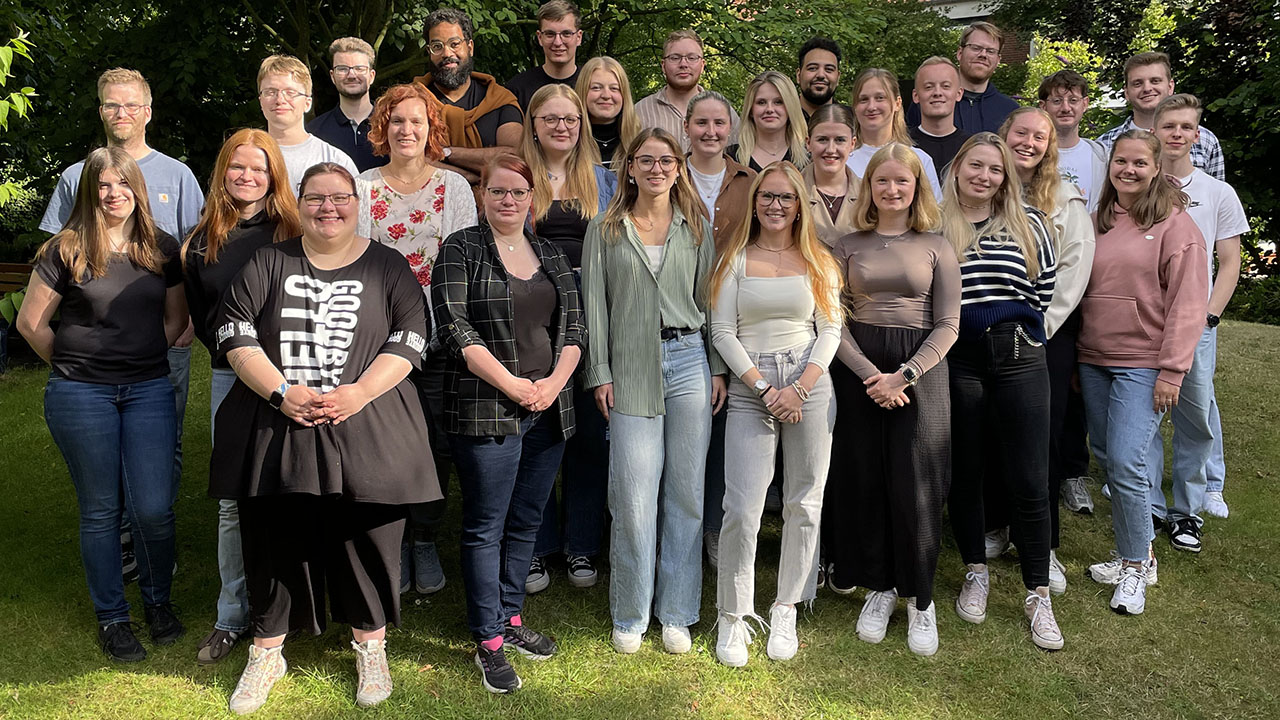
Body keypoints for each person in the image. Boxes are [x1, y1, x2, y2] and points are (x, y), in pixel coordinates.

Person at [212, 163, 440, 713]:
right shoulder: (269, 261)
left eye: (340, 198)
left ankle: (371, 645)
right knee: (272, 533)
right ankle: (267, 651)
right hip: (278, 420)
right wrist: (280, 392)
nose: (328, 208)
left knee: (367, 532)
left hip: (367, 420)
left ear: (358, 204)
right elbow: (234, 331)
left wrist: (360, 392)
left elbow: (412, 337)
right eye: (316, 198)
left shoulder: (387, 265)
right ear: (300, 203)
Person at [18, 147, 188, 662]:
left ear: (139, 188)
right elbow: (31, 324)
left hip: (148, 389)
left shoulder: (161, 247)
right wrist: (73, 366)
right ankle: (113, 618)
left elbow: (176, 319)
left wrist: (142, 356)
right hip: (81, 394)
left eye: (123, 183)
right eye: (103, 186)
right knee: (101, 511)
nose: (114, 194)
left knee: (154, 509)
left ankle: (158, 603)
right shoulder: (65, 249)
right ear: (89, 192)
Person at [39, 69, 202, 583]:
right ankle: (124, 543)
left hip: (163, 338)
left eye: (131, 105)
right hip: (90, 353)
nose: (122, 113)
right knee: (106, 460)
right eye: (112, 105)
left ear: (148, 111)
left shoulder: (178, 175)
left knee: (164, 446)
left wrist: (184, 325)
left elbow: (194, 254)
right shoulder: (77, 176)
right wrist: (71, 357)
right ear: (101, 111)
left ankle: (155, 540)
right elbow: (55, 255)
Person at [432, 153, 585, 694]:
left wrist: (554, 384)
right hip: (485, 405)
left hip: (547, 407)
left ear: (531, 198)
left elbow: (574, 330)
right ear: (483, 196)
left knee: (526, 520)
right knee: (486, 525)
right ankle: (489, 639)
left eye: (518, 192)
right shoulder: (461, 249)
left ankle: (511, 616)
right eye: (497, 191)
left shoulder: (551, 255)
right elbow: (454, 328)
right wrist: (513, 385)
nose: (508, 200)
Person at [581, 128, 728, 655]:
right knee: (633, 494)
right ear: (630, 168)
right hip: (630, 364)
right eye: (646, 160)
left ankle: (677, 612)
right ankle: (631, 611)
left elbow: (709, 301)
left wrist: (716, 366)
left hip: (689, 360)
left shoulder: (696, 227)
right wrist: (600, 371)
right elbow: (594, 305)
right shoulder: (605, 228)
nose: (657, 169)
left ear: (679, 168)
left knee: (686, 492)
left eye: (666, 160)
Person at [709, 161, 842, 666]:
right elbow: (722, 332)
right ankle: (733, 613)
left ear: (800, 205)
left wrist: (801, 387)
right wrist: (765, 388)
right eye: (767, 196)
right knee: (742, 506)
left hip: (810, 381)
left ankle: (787, 605)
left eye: (786, 197)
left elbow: (831, 328)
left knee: (805, 501)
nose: (775, 205)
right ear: (755, 201)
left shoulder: (818, 260)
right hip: (752, 386)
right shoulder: (734, 259)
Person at [829, 143, 960, 656]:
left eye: (901, 181)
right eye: (881, 181)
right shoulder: (846, 246)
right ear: (869, 188)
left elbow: (948, 324)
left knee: (916, 482)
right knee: (867, 478)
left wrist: (903, 376)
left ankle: (921, 598)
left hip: (919, 371)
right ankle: (880, 586)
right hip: (859, 369)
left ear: (916, 187)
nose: (891, 189)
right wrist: (871, 376)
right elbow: (832, 319)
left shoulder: (937, 246)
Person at [182, 129, 301, 665]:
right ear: (222, 172)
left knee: (295, 490)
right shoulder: (200, 241)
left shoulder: (295, 231)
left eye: (259, 168)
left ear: (274, 175)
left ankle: (296, 608)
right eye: (237, 167)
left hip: (296, 377)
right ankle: (232, 615)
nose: (247, 176)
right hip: (231, 379)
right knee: (234, 501)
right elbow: (203, 318)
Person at [939, 133, 1063, 651]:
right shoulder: (934, 222)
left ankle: (1038, 593)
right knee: (966, 471)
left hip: (1018, 355)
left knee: (1030, 477)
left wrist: (1024, 332)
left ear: (1005, 177)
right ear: (958, 168)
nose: (984, 176)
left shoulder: (1030, 223)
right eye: (976, 165)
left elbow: (1044, 289)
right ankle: (975, 570)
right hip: (958, 357)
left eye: (994, 169)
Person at [354, 82, 478, 597]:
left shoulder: (455, 188)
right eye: (397, 121)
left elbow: (462, 266)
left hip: (441, 338)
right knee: (384, 445)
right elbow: (357, 264)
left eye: (417, 121)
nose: (407, 130)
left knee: (436, 445)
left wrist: (442, 329)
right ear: (383, 128)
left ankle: (424, 537)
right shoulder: (362, 187)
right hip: (380, 343)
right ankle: (394, 541)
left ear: (432, 130)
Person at [1079, 130, 1208, 615]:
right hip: (1093, 358)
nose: (1128, 170)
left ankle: (1137, 563)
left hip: (1144, 363)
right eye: (1121, 161)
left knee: (1127, 461)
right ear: (1110, 165)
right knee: (1109, 456)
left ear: (1156, 169)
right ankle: (1132, 552)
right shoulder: (1098, 220)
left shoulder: (1176, 227)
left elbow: (1188, 305)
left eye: (1139, 163)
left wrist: (1172, 371)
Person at [520, 84, 617, 592]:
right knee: (538, 432)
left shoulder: (604, 180)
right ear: (534, 125)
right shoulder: (519, 177)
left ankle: (582, 543)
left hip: (593, 314)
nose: (562, 127)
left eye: (571, 119)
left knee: (590, 433)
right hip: (533, 317)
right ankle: (536, 547)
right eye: (551, 118)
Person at [998, 107, 1095, 594]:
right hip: (986, 331)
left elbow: (1076, 266)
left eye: (1039, 137)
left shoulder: (1064, 197)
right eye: (1021, 133)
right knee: (992, 429)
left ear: (1049, 146)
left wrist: (1042, 326)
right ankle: (996, 523)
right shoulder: (985, 185)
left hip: (1044, 335)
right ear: (1005, 135)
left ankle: (1042, 542)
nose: (1029, 143)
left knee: (1042, 437)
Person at [1152, 94, 1248, 540]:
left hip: (1194, 322)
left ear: (1197, 134)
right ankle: (1147, 498)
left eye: (1186, 127)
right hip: (1145, 321)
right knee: (1144, 412)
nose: (1177, 134)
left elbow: (1229, 262)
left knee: (1195, 413)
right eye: (1169, 125)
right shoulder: (1139, 184)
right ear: (1154, 129)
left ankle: (1191, 502)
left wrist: (1208, 317)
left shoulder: (1217, 193)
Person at [681, 90, 754, 568]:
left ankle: (712, 527)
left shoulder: (749, 181)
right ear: (686, 127)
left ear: (731, 129)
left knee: (723, 427)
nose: (710, 132)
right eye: (701, 123)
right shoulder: (669, 175)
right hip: (680, 308)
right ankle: (674, 527)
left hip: (735, 312)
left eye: (719, 123)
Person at [414, 8, 524, 186]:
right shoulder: (412, 101)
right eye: (437, 46)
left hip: (495, 202)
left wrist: (446, 153)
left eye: (454, 44)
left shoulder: (499, 100)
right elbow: (409, 160)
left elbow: (515, 159)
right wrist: (471, 177)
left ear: (470, 47)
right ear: (429, 51)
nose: (447, 53)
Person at [1096, 52, 1224, 181]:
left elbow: (1216, 191)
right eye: (1137, 83)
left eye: (1155, 81)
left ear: (1170, 86)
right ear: (1127, 92)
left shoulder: (1205, 140)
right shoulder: (1104, 145)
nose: (1147, 88)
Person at [257, 54, 359, 193]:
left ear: (307, 103)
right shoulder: (244, 158)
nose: (280, 100)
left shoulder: (334, 160)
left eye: (290, 92)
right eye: (270, 92)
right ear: (261, 101)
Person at [634, 30, 739, 152]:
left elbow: (740, 156)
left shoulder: (725, 111)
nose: (683, 64)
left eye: (692, 58)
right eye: (675, 58)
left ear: (702, 65)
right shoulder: (640, 112)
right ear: (663, 65)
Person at [845, 68, 941, 201]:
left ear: (897, 103)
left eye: (880, 98)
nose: (871, 106)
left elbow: (933, 211)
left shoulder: (920, 159)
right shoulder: (842, 159)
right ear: (855, 107)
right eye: (863, 99)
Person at [308, 37, 387, 172]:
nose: (351, 75)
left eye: (359, 68)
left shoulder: (391, 125)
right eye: (342, 69)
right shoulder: (315, 132)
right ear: (332, 76)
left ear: (372, 76)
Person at [1038, 70, 1107, 212]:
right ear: (1043, 106)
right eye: (1057, 101)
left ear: (1085, 104)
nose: (1065, 108)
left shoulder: (1103, 156)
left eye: (1073, 100)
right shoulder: (1032, 154)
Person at [506, 1, 583, 111]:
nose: (557, 42)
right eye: (550, 34)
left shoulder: (592, 87)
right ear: (540, 37)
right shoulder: (518, 89)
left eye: (566, 34)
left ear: (579, 37)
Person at [726, 71, 809, 173]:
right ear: (751, 109)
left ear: (790, 107)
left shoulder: (808, 157)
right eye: (761, 102)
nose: (769, 109)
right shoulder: (730, 158)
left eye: (778, 102)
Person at [802, 104, 859, 247]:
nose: (831, 149)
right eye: (822, 139)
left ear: (852, 144)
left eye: (840, 140)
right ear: (808, 143)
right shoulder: (792, 190)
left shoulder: (869, 192)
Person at [909, 57, 971, 177]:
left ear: (959, 94)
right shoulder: (903, 146)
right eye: (928, 87)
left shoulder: (971, 147)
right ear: (916, 96)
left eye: (945, 86)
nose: (937, 93)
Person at [575, 56, 641, 169]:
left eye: (614, 88)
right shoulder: (569, 141)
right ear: (583, 91)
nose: (606, 95)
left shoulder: (639, 141)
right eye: (596, 88)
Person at [795, 36, 841, 121]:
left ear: (838, 78)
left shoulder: (853, 122)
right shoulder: (779, 119)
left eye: (829, 69)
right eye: (812, 68)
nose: (820, 75)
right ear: (798, 75)